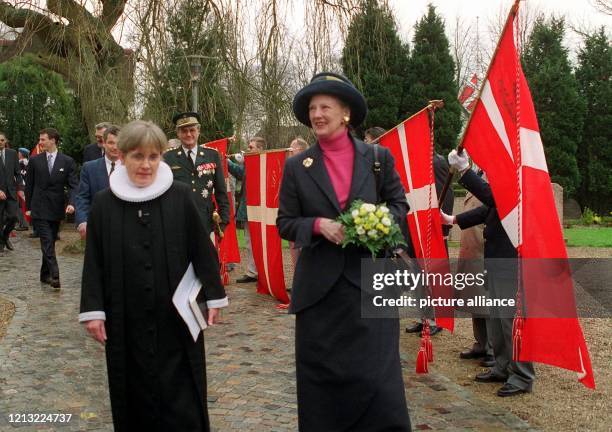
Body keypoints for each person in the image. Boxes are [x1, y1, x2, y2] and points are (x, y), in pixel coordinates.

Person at [277, 72, 411, 431]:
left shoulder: (378, 157)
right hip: (319, 295)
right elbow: (286, 222)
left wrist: (374, 220)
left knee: (378, 382)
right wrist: (319, 226)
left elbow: (399, 206)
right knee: (322, 389)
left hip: (370, 285)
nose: (317, 114)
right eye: (312, 108)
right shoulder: (296, 166)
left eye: (325, 106)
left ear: (345, 113)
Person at [79, 120, 228, 431]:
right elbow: (94, 261)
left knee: (183, 398)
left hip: (176, 317)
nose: (145, 165)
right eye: (137, 156)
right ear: (121, 157)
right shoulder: (104, 204)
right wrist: (93, 311)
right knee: (132, 394)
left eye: (153, 156)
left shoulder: (181, 196)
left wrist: (214, 295)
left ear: (161, 156)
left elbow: (202, 249)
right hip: (125, 318)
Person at [442, 149, 535, 397]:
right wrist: (453, 219)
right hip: (496, 258)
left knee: (511, 321)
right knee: (497, 319)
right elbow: (488, 211)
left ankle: (523, 375)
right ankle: (503, 367)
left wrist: (464, 171)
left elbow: (495, 198)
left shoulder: (520, 175)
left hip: (510, 259)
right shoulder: (506, 175)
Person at [25, 128, 78, 289]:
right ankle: (55, 274)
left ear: (53, 140)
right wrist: (28, 207)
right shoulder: (35, 161)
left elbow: (74, 186)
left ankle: (44, 274)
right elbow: (29, 186)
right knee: (47, 240)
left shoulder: (67, 161)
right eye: (40, 140)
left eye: (43, 139)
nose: (40, 142)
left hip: (56, 209)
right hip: (39, 208)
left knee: (51, 241)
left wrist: (72, 203)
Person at [163, 112, 229, 236]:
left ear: (198, 131)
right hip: (177, 222)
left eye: (192, 130)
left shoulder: (212, 155)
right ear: (178, 134)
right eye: (184, 131)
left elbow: (221, 190)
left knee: (203, 255)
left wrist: (224, 220)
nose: (188, 134)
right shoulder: (168, 158)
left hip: (204, 220)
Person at [456, 169, 494, 367]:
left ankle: (492, 348)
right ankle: (480, 342)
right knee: (474, 298)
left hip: (483, 246)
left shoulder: (492, 174)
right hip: (471, 247)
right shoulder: (478, 173)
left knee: (485, 299)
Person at [228, 137, 266, 283]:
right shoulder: (248, 164)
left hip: (262, 209)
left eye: (251, 147)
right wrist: (226, 160)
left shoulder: (264, 163)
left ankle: (263, 271)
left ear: (260, 149)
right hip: (248, 208)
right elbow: (238, 172)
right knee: (249, 241)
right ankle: (252, 272)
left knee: (262, 242)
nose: (248, 150)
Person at [75, 125, 121, 239]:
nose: (115, 147)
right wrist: (82, 221)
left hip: (124, 229)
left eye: (119, 143)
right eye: (111, 143)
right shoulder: (89, 168)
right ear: (103, 143)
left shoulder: (131, 168)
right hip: (97, 229)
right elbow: (82, 197)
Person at [287, 137, 310, 267]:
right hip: (292, 214)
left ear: (300, 150)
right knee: (293, 247)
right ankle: (298, 280)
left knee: (304, 249)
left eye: (291, 148)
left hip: (304, 215)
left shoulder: (309, 164)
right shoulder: (291, 165)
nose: (289, 151)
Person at [0, 132, 23, 253]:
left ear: (5, 141)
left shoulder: (12, 153)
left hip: (11, 192)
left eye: (2, 140)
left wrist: (20, 189)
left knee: (14, 217)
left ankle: (5, 235)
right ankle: (1, 244)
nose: (0, 142)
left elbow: (18, 173)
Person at [15, 148, 30, 231]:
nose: (18, 154)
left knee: (21, 206)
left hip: (21, 187)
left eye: (19, 153)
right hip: (24, 186)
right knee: (21, 205)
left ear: (21, 154)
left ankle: (24, 224)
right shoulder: (27, 162)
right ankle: (23, 223)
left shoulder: (21, 163)